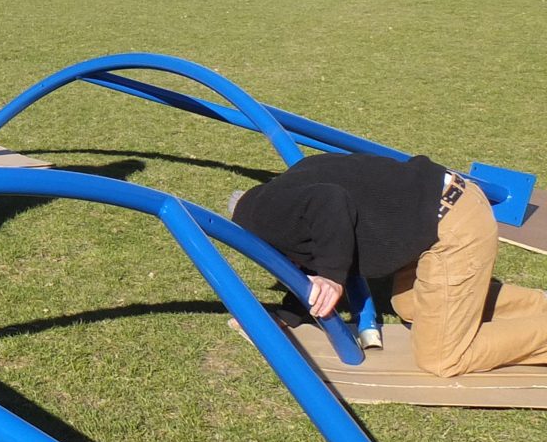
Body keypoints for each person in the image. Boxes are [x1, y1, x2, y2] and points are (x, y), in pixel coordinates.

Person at [232, 152, 547, 377]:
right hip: (441, 205)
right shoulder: (282, 197)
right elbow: (310, 248)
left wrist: (331, 276)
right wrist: (285, 315)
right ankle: (539, 306)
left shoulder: (266, 218)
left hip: (452, 225)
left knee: (442, 357)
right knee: (410, 304)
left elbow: (328, 202)